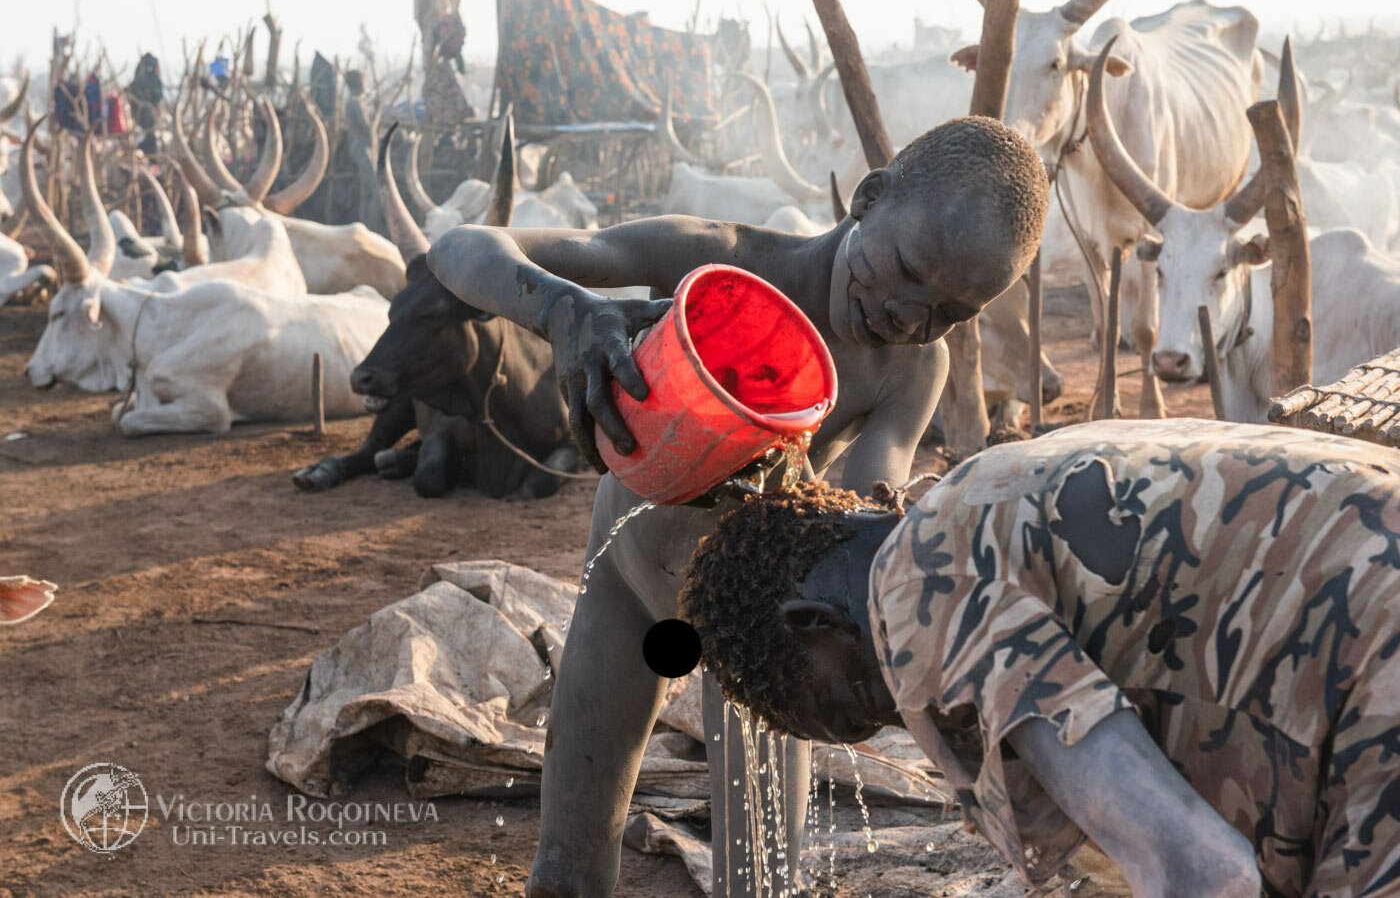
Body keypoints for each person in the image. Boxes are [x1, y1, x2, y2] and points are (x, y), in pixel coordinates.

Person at [427, 115, 1049, 895]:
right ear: (868, 198)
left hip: (758, 628)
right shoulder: (717, 260)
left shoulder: (911, 367)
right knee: (568, 866)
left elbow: (854, 513)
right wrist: (564, 310)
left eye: (952, 311)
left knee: (759, 883)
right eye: (906, 269)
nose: (908, 314)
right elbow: (457, 250)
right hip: (628, 586)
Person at [679, 418, 1400, 897]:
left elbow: (1203, 873)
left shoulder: (916, 592)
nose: (905, 721)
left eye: (864, 702)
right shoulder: (985, 494)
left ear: (815, 624)